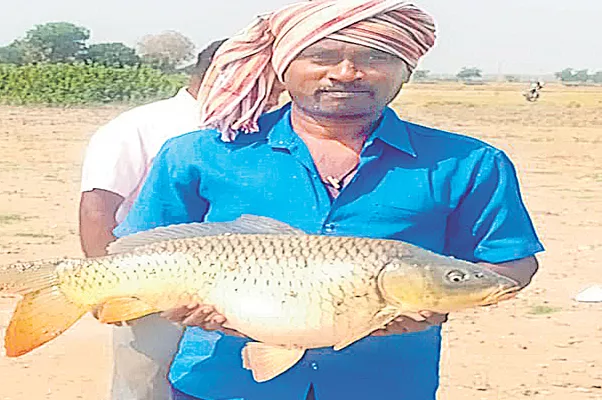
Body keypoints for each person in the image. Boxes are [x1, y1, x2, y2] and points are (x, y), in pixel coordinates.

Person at [114, 1, 544, 399]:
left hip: (387, 383)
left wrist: (433, 304)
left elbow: (510, 262)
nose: (346, 72)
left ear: (405, 70)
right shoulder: (200, 153)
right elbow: (142, 253)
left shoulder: (468, 162)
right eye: (320, 56)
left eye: (375, 57)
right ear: (283, 67)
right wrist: (179, 304)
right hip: (223, 382)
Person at [79, 38, 287, 400]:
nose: (279, 92)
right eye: (268, 79)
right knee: (146, 383)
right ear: (228, 73)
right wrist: (106, 284)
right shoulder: (141, 126)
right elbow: (97, 206)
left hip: (235, 289)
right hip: (153, 282)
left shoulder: (258, 131)